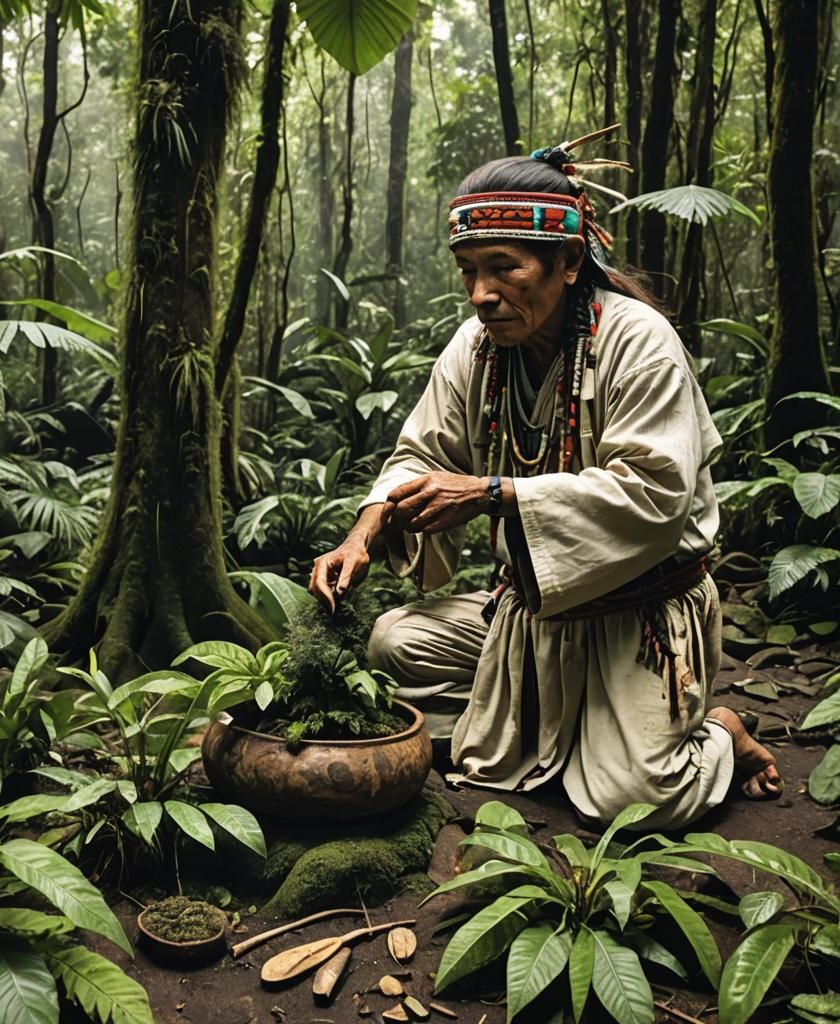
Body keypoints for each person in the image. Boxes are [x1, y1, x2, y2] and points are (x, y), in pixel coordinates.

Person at [308, 129, 781, 829]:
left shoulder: (637, 340)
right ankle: (573, 725)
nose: (481, 294)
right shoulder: (475, 348)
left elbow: (652, 493)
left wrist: (490, 493)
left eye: (504, 267)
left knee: (636, 801)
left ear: (566, 262)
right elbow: (420, 451)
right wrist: (366, 527)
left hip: (637, 616)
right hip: (529, 612)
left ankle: (719, 735)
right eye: (467, 269)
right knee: (392, 644)